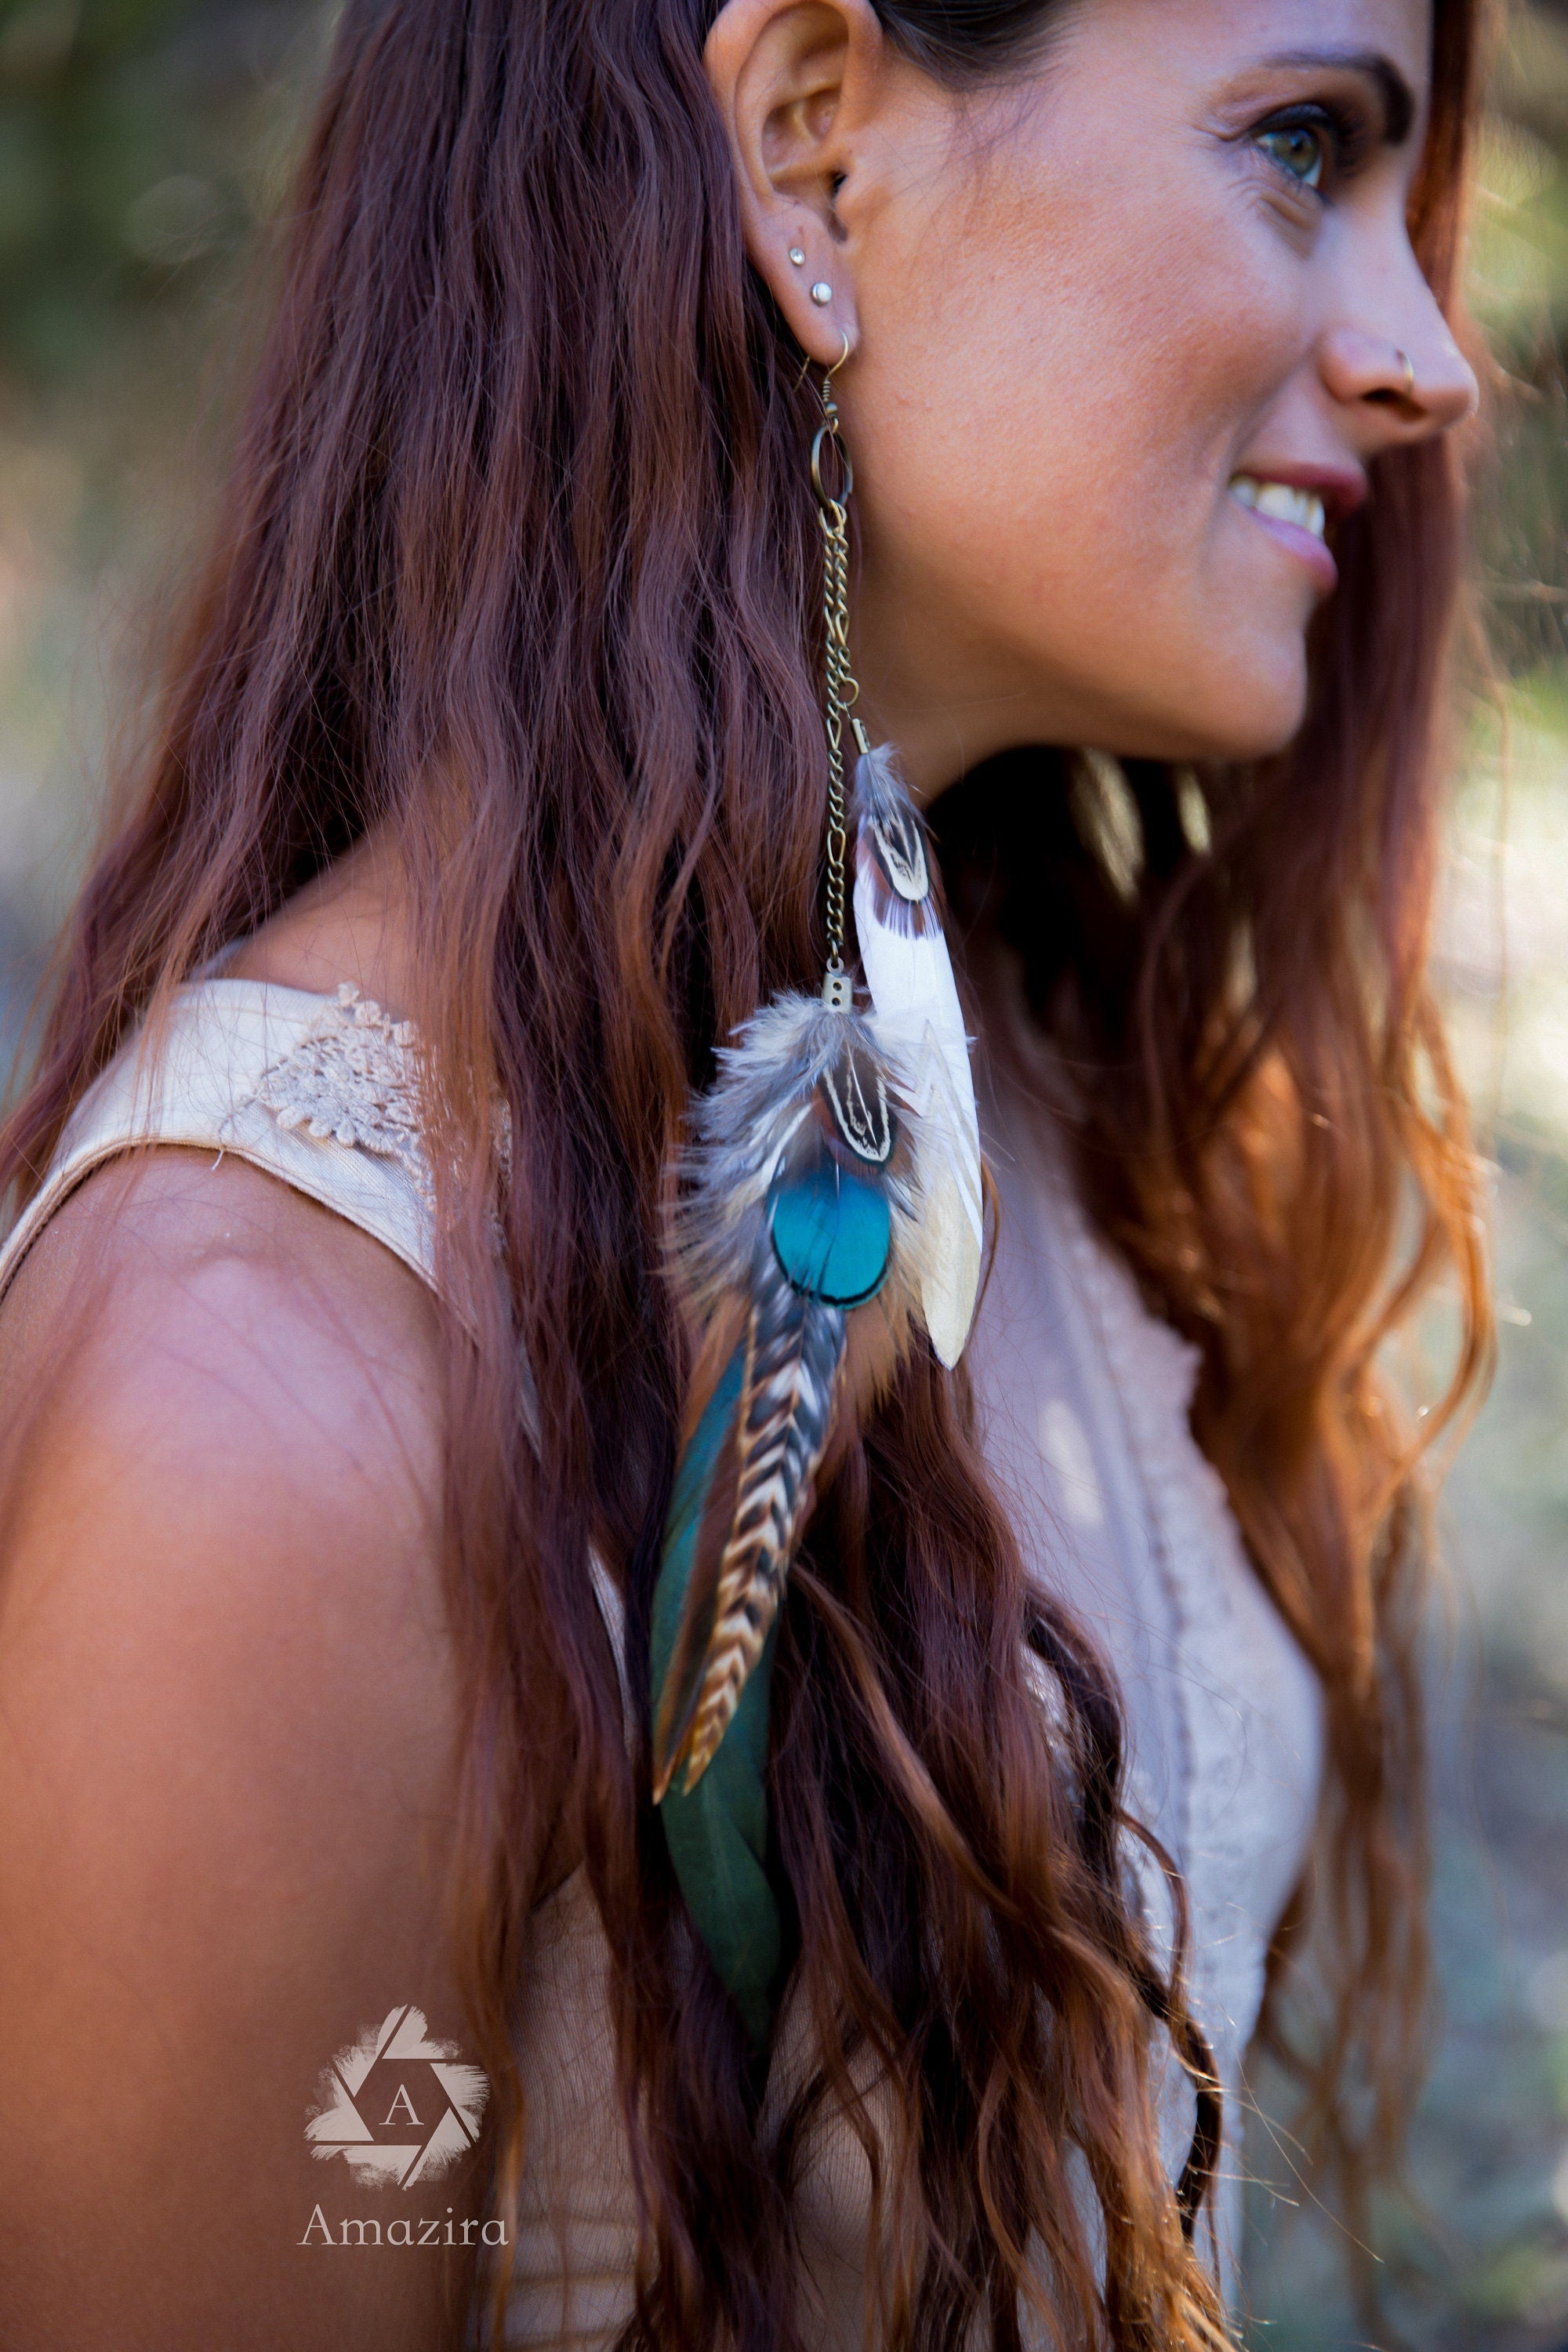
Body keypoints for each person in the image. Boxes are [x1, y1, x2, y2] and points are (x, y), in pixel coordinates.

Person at [0, 0, 1493, 2346]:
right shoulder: (265, 1403)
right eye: (1304, 146)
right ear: (809, 155)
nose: (1431, 358)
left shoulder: (1043, 1091)